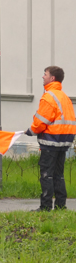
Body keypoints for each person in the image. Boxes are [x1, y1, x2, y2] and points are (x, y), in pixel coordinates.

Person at [26, 66, 76, 211]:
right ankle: (61, 206)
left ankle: (45, 207)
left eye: (45, 74)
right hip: (64, 141)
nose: (43, 76)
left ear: (52, 78)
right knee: (58, 175)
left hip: (50, 141)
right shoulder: (64, 96)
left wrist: (31, 130)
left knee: (46, 174)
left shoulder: (49, 96)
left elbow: (41, 121)